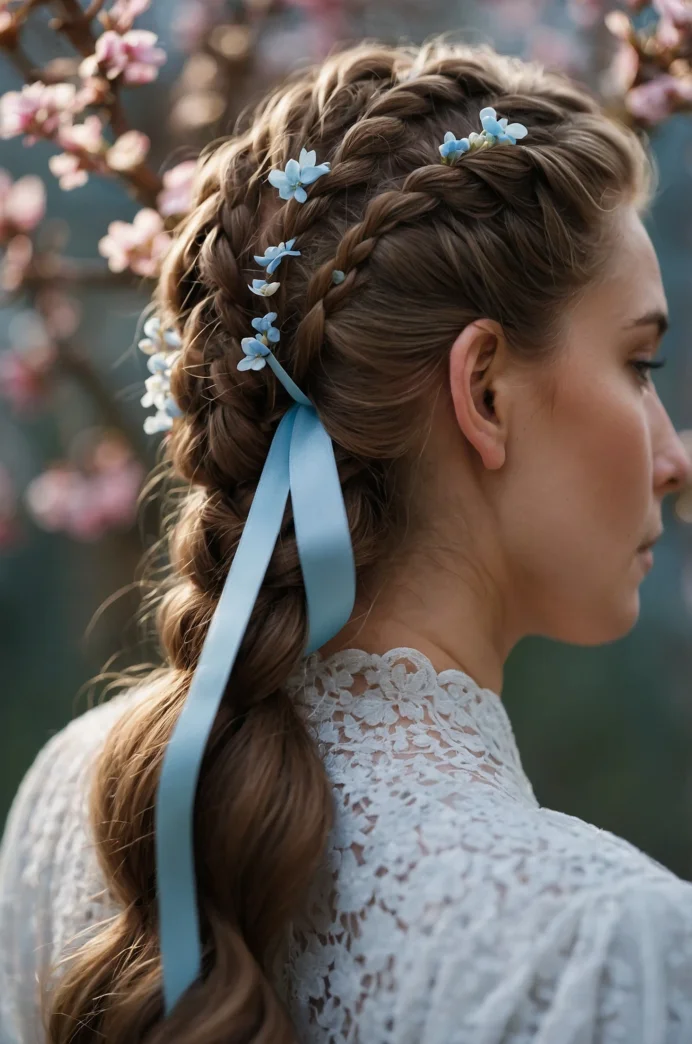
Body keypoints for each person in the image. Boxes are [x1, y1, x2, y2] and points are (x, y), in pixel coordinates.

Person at [2, 35, 692, 1044]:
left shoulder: (84, 802)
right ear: (484, 390)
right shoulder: (611, 948)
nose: (671, 458)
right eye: (639, 363)